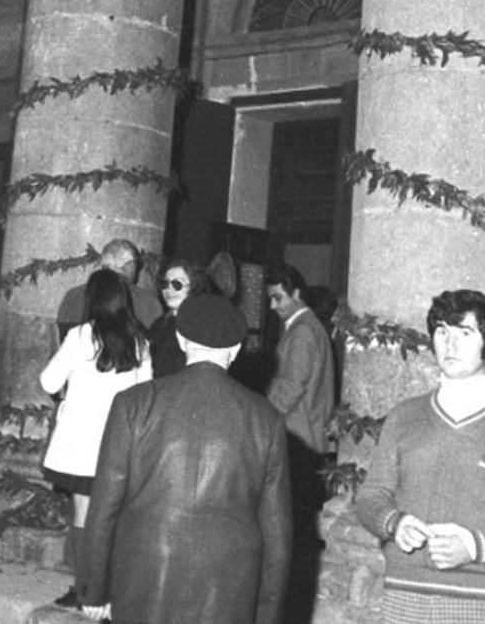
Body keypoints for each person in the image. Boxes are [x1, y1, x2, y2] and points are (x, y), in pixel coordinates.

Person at [353, 289, 485, 624]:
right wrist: (394, 523)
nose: (450, 345)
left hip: (482, 601)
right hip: (403, 594)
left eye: (464, 334)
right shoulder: (404, 416)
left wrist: (474, 546)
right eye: (442, 332)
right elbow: (370, 496)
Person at [78, 292, 292, 624]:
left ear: (180, 339)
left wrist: (94, 588)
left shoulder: (133, 404)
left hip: (143, 581)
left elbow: (104, 506)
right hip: (228, 591)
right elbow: (278, 538)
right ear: (235, 351)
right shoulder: (267, 420)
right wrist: (266, 615)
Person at [42, 268, 153, 609]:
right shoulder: (140, 340)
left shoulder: (80, 336)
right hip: (120, 443)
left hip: (80, 444)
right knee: (113, 516)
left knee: (83, 513)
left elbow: (48, 382)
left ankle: (84, 588)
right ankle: (109, 590)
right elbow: (146, 393)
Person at [264, 262, 336, 554]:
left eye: (278, 298)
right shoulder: (307, 327)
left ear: (296, 293)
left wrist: (263, 417)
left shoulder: (303, 330)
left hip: (298, 434)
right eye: (270, 298)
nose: (272, 306)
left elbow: (291, 386)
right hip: (305, 432)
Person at [57, 238, 163, 337]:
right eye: (136, 264)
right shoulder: (148, 301)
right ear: (130, 264)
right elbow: (155, 343)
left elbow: (61, 335)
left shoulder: (74, 295)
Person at [146, 257, 213, 378]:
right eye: (165, 284)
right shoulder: (159, 324)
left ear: (194, 287)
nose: (168, 290)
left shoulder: (201, 326)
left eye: (177, 284)